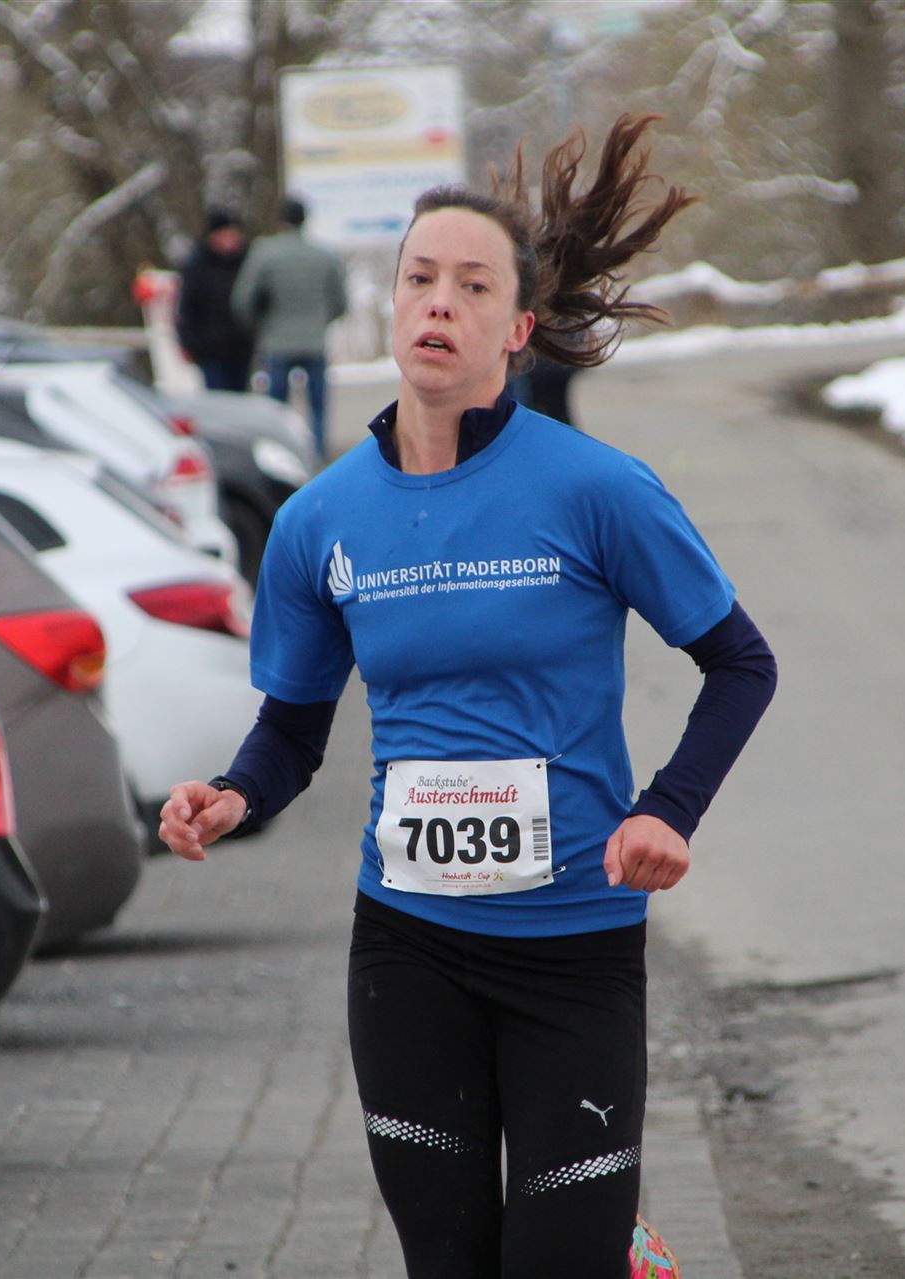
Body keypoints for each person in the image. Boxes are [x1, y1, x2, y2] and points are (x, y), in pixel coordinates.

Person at [161, 115, 777, 1278]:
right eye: (420, 279)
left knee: (559, 1260)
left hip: (575, 948)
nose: (440, 302)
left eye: (473, 285)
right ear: (390, 305)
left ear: (519, 327)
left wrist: (668, 808)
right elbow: (293, 727)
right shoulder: (319, 521)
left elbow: (743, 663)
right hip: (408, 953)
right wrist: (236, 795)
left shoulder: (596, 490)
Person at [232, 194, 348, 458]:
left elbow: (243, 300)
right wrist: (320, 321)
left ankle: (282, 453)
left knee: (277, 408)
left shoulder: (265, 254)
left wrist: (260, 326)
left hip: (276, 341)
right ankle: (317, 456)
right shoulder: (324, 255)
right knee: (318, 407)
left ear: (280, 220)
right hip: (315, 341)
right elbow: (341, 302)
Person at [176, 205, 255, 392]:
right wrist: (189, 342)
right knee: (217, 396)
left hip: (241, 347)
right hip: (210, 348)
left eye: (234, 234)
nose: (231, 240)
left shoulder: (248, 262)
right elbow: (187, 306)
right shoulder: (198, 265)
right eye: (225, 235)